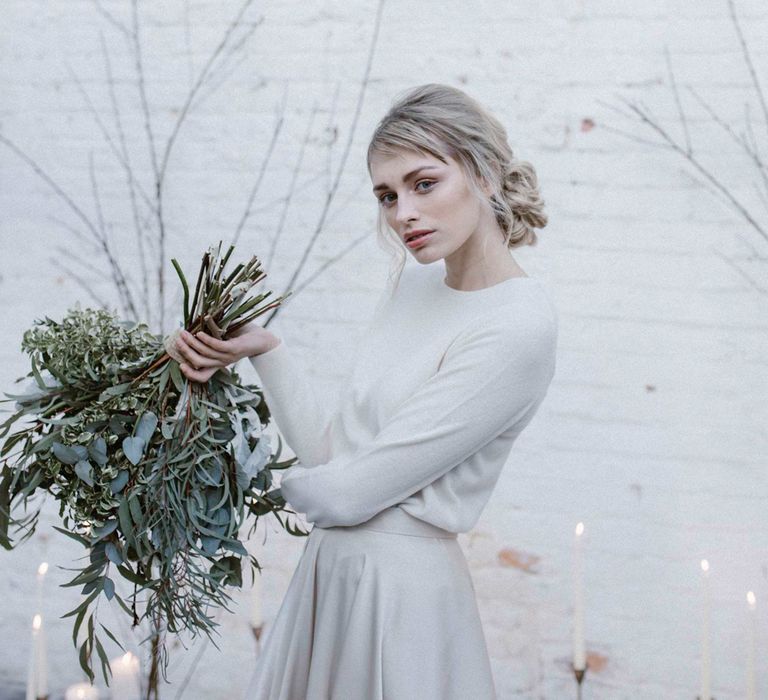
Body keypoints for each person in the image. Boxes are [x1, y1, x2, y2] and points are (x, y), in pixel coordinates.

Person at [174, 83, 557, 700]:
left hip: (402, 594)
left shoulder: (518, 325)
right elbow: (333, 456)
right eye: (386, 195)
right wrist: (265, 351)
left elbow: (350, 492)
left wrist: (225, 484)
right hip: (332, 573)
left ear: (484, 172)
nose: (402, 212)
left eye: (423, 183)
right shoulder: (413, 287)